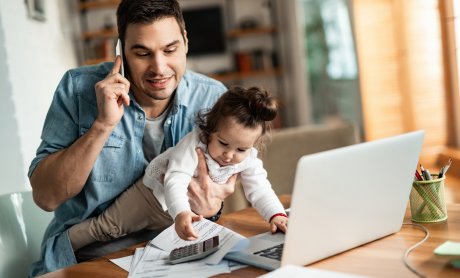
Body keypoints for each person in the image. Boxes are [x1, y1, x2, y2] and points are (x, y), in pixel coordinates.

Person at [27, 0, 235, 276]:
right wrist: (103, 124)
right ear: (120, 51)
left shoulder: (212, 98)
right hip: (90, 257)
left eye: (170, 50)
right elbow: (46, 197)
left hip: (177, 252)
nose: (159, 68)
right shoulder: (77, 89)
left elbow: (216, 188)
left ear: (185, 41)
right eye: (142, 53)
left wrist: (214, 208)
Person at [68, 86, 288, 250]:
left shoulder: (248, 158)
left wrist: (276, 215)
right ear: (210, 129)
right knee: (106, 228)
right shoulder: (194, 144)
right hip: (151, 197)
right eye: (223, 143)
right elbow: (175, 179)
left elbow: (260, 188)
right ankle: (65, 244)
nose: (229, 155)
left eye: (241, 149)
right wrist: (182, 213)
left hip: (178, 214)